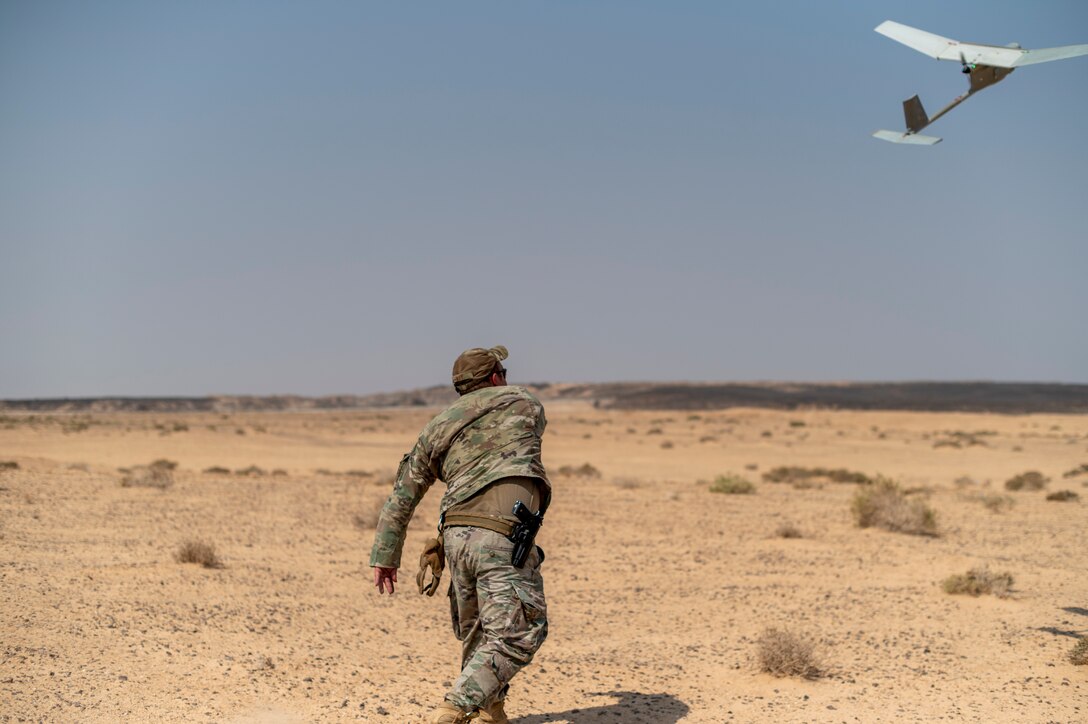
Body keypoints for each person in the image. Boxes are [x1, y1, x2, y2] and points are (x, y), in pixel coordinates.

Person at [370, 345, 551, 724]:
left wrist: (385, 556)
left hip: (456, 540)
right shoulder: (523, 403)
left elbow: (402, 496)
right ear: (496, 377)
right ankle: (455, 706)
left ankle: (489, 711)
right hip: (500, 536)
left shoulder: (437, 426)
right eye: (503, 372)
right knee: (519, 634)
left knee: (479, 635)